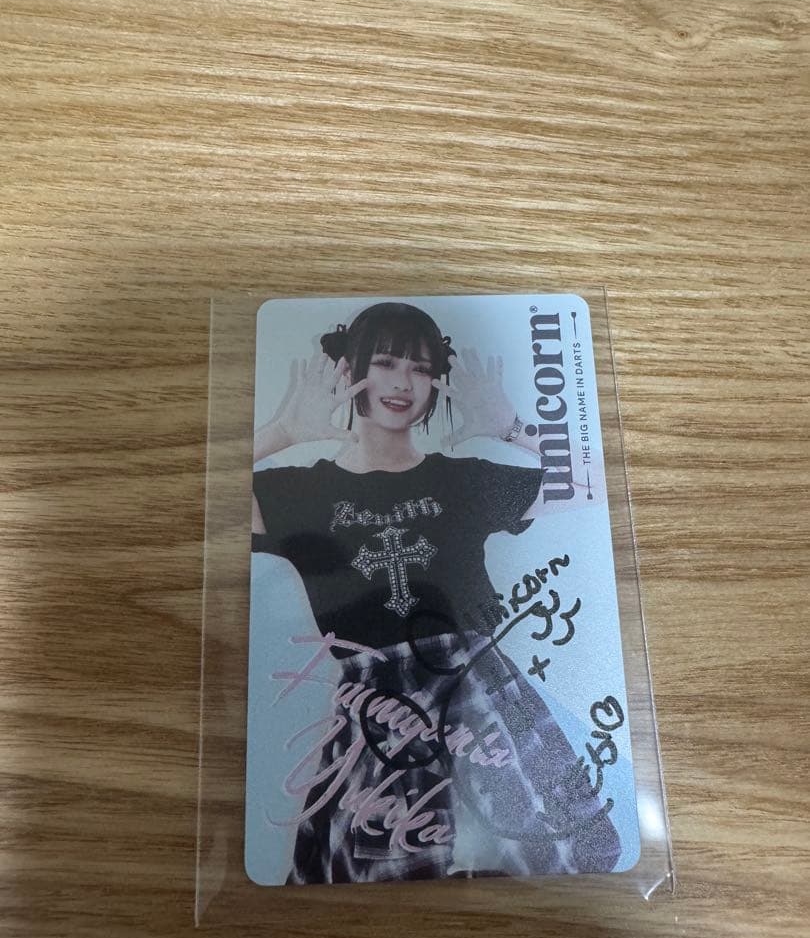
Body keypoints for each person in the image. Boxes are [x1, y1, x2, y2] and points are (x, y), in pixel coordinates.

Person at [252, 302, 620, 884]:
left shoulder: (462, 479)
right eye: (385, 362)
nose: (403, 383)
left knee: (539, 854)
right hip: (376, 708)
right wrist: (282, 431)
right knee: (388, 875)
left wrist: (509, 427)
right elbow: (199, 496)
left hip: (480, 694)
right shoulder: (299, 493)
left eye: (420, 368)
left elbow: (600, 481)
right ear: (350, 370)